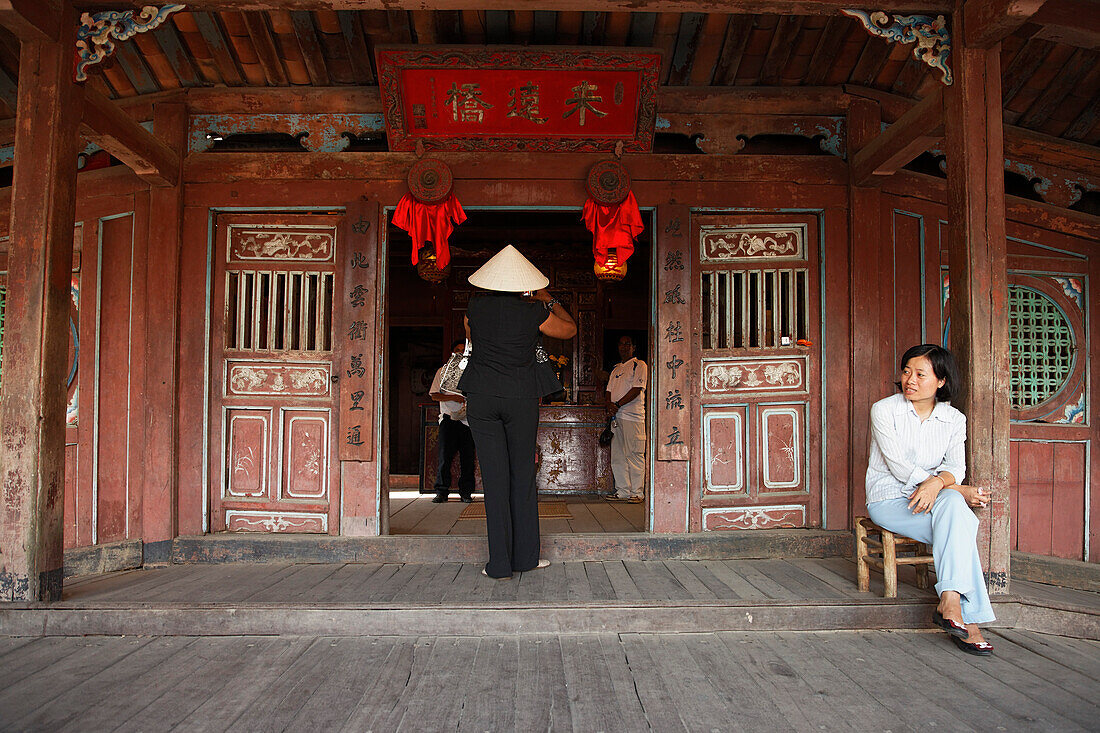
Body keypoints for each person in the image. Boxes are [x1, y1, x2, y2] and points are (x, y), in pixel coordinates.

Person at [865, 343, 996, 656]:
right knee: (960, 521)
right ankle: (970, 621)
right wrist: (952, 488)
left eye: (920, 374)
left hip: (936, 500)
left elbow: (956, 468)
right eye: (906, 371)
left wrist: (940, 485)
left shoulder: (954, 419)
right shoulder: (885, 410)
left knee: (955, 512)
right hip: (890, 499)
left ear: (941, 381)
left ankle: (950, 602)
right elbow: (897, 465)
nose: (910, 379)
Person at [457, 245, 577, 579]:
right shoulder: (533, 311)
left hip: (481, 397)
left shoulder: (473, 309)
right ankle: (525, 558)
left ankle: (498, 564)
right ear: (522, 282)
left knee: (494, 480)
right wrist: (546, 297)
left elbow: (471, 335)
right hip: (520, 397)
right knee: (522, 475)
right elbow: (569, 329)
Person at [428, 339, 477, 503]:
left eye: (464, 351)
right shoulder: (442, 372)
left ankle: (466, 492)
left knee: (468, 459)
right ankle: (441, 491)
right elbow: (434, 394)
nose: (460, 353)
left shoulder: (473, 372)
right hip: (448, 420)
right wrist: (455, 397)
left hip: (468, 421)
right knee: (445, 457)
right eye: (457, 350)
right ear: (452, 353)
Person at [605, 335, 647, 504]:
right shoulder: (616, 369)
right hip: (617, 417)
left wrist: (617, 404)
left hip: (633, 417)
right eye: (621, 344)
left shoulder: (639, 365)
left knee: (635, 454)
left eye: (627, 344)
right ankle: (622, 490)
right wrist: (609, 405)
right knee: (618, 455)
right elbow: (608, 390)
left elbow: (637, 389)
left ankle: (637, 492)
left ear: (633, 347)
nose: (623, 347)